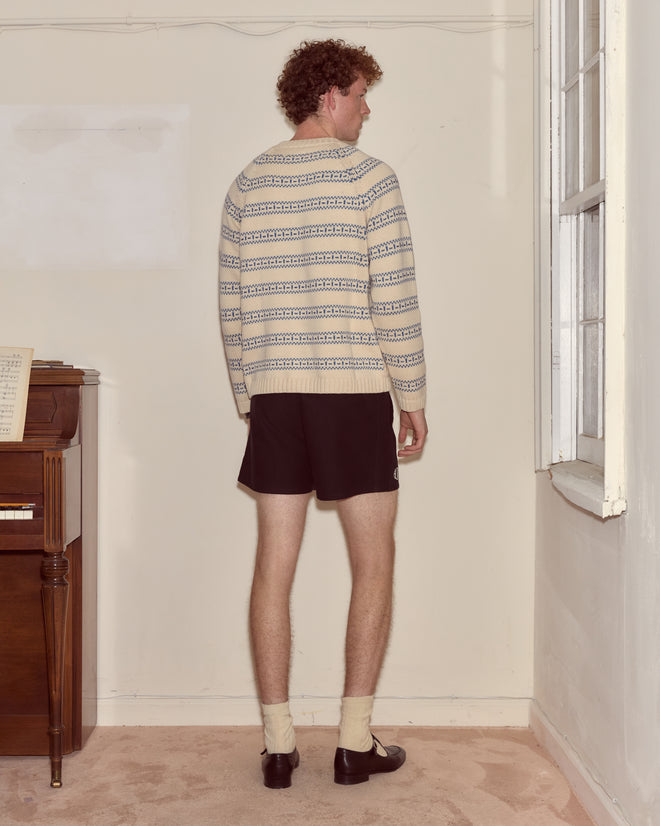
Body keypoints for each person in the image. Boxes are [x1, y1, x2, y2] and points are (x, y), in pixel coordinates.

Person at [218, 38, 428, 789]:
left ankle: (278, 747)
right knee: (375, 564)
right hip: (351, 393)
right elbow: (393, 297)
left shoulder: (249, 183)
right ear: (330, 95)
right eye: (364, 95)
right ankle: (352, 741)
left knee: (272, 565)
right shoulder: (371, 180)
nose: (369, 111)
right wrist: (413, 396)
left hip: (277, 394)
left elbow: (232, 307)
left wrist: (252, 395)